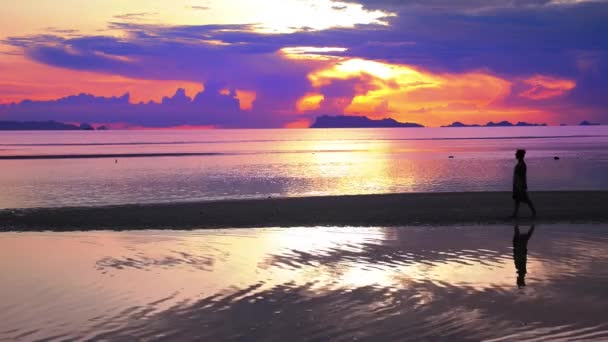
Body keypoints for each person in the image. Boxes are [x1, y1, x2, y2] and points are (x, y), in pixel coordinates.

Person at [511, 149, 536, 218]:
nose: (515, 155)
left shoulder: (522, 165)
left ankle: (534, 211)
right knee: (517, 199)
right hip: (517, 184)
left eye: (516, 154)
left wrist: (521, 185)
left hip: (520, 184)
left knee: (526, 199)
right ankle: (515, 214)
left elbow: (522, 176)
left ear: (519, 156)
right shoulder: (519, 163)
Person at [513, 223, 535, 288]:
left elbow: (518, 260)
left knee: (520, 237)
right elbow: (518, 260)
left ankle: (532, 226)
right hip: (520, 253)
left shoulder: (521, 272)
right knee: (521, 237)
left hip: (520, 253)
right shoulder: (521, 272)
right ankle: (532, 226)